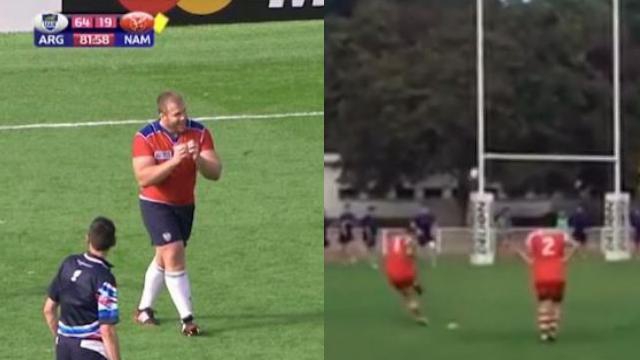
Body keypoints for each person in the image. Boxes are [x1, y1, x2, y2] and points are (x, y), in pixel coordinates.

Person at [131, 91, 222, 336]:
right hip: (155, 203)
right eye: (176, 114)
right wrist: (173, 161)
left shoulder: (199, 132)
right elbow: (143, 177)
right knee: (173, 251)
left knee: (164, 257)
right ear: (162, 115)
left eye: (184, 112)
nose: (183, 118)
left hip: (184, 205)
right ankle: (188, 319)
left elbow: (215, 172)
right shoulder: (145, 137)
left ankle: (144, 310)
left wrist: (197, 160)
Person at [43, 217, 121, 360]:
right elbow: (107, 329)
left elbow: (48, 310)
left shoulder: (68, 263)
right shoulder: (104, 278)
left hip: (63, 346)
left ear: (87, 238)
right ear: (113, 242)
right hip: (90, 350)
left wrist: (60, 338)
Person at [516, 228, 578, 342]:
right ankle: (553, 332)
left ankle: (544, 333)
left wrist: (520, 254)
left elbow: (530, 259)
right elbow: (576, 245)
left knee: (543, 304)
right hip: (558, 274)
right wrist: (565, 258)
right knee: (556, 304)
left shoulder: (533, 236)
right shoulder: (561, 235)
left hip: (540, 276)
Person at [382, 228, 428, 326]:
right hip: (404, 273)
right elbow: (410, 253)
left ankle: (418, 317)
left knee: (407, 296)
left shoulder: (393, 240)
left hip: (391, 273)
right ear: (412, 234)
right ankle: (415, 284)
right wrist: (415, 255)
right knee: (411, 272)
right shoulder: (410, 240)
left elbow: (388, 254)